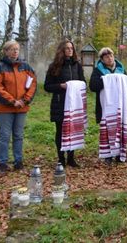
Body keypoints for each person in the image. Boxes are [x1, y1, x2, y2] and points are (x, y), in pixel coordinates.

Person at [0, 40, 37, 173]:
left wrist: (25, 100)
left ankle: (18, 161)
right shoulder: (0, 67)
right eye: (12, 49)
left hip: (21, 107)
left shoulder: (26, 66)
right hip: (5, 108)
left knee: (18, 135)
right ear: (6, 51)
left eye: (17, 49)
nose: (15, 51)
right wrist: (12, 101)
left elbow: (33, 84)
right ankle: (3, 163)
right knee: (5, 136)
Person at [44, 40, 86, 168]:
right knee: (60, 131)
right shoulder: (54, 66)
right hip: (60, 103)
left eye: (71, 48)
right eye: (67, 48)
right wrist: (61, 86)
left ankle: (71, 158)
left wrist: (78, 86)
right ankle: (61, 159)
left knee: (73, 130)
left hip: (74, 104)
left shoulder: (77, 65)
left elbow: (83, 82)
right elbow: (47, 86)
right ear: (61, 50)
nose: (70, 50)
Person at [89, 47, 127, 164]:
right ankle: (108, 155)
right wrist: (107, 80)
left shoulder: (120, 68)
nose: (110, 58)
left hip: (120, 106)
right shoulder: (98, 70)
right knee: (108, 128)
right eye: (106, 57)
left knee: (120, 128)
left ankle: (120, 154)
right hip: (106, 106)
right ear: (102, 59)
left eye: (111, 56)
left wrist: (120, 78)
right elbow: (93, 86)